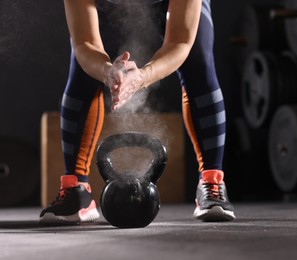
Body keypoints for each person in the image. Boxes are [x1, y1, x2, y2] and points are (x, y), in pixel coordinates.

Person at [39, 0, 235, 225]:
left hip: (173, 10)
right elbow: (85, 44)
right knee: (82, 71)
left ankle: (212, 182)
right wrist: (107, 73)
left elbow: (180, 41)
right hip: (103, 10)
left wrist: (142, 77)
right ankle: (76, 189)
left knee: (198, 59)